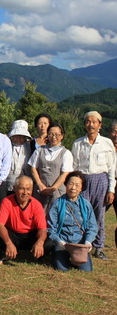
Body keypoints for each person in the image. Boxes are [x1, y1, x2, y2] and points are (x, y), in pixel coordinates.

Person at [72, 111, 116, 260]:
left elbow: (111, 169)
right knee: (82, 213)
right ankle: (81, 244)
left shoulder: (106, 143)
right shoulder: (78, 143)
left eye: (94, 122)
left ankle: (98, 247)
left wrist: (111, 190)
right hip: (84, 181)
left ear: (100, 125)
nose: (91, 124)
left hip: (101, 181)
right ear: (85, 124)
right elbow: (74, 167)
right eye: (88, 122)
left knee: (99, 215)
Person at [0, 175, 52, 265]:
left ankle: (39, 257)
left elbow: (42, 229)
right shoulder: (7, 201)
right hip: (13, 234)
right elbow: (0, 224)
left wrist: (40, 242)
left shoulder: (36, 205)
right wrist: (9, 243)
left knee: (48, 241)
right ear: (14, 188)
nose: (25, 192)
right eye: (22, 188)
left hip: (30, 235)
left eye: (28, 189)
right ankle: (3, 255)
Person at [47, 171, 98, 271]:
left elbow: (92, 227)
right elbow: (51, 228)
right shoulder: (57, 204)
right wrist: (59, 241)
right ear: (66, 185)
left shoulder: (86, 205)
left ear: (81, 188)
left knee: (86, 270)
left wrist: (88, 241)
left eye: (77, 185)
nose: (73, 188)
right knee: (62, 269)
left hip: (79, 244)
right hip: (63, 244)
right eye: (71, 183)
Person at [29, 123, 74, 213]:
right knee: (39, 215)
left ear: (62, 136)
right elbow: (33, 168)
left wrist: (53, 188)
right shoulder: (39, 150)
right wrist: (40, 184)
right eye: (51, 134)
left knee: (56, 215)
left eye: (57, 134)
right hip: (40, 190)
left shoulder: (66, 153)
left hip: (58, 191)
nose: (54, 137)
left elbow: (65, 173)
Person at [5, 120, 32, 193]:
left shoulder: (30, 147)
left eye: (21, 136)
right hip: (8, 183)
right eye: (16, 136)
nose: (18, 139)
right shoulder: (6, 146)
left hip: (25, 184)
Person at [108, 121, 117, 247]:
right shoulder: (105, 146)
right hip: (107, 183)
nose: (116, 135)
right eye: (114, 131)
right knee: (97, 214)